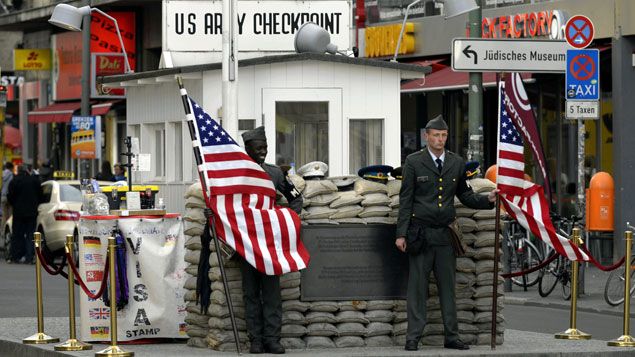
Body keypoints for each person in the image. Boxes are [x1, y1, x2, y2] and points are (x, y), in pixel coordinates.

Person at [395, 115, 497, 351]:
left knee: (448, 288)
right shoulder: (413, 161)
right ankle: (413, 337)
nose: (440, 140)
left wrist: (488, 200)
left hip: (445, 235)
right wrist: (401, 234)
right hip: (420, 234)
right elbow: (406, 200)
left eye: (443, 136)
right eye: (436, 135)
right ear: (426, 136)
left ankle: (452, 336)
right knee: (417, 289)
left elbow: (465, 195)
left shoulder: (456, 162)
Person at [241, 126, 302, 354]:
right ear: (247, 149)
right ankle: (255, 340)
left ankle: (272, 339)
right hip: (246, 242)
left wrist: (289, 221)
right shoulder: (237, 174)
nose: (263, 152)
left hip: (269, 243)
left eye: (265, 148)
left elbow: (296, 198)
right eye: (258, 148)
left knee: (272, 294)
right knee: (250, 295)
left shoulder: (275, 174)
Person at [7, 164, 43, 264]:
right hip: (32, 212)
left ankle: (16, 256)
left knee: (17, 234)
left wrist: (14, 204)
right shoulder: (34, 181)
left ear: (18, 170)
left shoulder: (14, 181)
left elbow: (10, 196)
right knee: (30, 235)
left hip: (18, 212)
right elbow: (41, 195)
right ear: (28, 170)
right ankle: (29, 257)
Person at [1, 162, 14, 242]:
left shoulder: (2, 174)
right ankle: (8, 233)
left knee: (4, 216)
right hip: (9, 197)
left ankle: (2, 233)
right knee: (10, 217)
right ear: (11, 168)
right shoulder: (12, 175)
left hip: (3, 196)